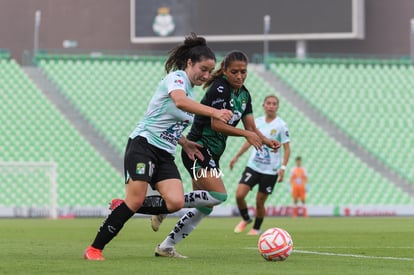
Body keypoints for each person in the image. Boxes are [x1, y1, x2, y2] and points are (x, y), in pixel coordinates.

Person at [83, 33, 233, 261]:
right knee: (134, 200)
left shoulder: (190, 90)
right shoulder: (177, 78)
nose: (205, 75)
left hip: (165, 153)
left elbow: (170, 119)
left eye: (209, 71)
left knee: (175, 202)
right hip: (143, 145)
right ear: (189, 63)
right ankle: (94, 249)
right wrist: (215, 112)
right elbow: (180, 102)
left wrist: (184, 142)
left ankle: (120, 206)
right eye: (202, 69)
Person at [152, 50, 280, 258]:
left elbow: (251, 126)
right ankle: (166, 204)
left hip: (212, 154)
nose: (239, 76)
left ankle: (166, 246)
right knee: (219, 196)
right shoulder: (220, 88)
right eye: (235, 72)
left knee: (206, 206)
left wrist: (265, 140)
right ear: (226, 71)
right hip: (199, 149)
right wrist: (246, 134)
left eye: (243, 72)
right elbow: (217, 124)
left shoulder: (245, 94)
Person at [230, 95, 290, 235]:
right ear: (263, 105)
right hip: (254, 166)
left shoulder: (281, 125)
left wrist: (283, 168)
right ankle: (246, 218)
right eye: (268, 103)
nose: (271, 106)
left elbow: (287, 149)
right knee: (239, 195)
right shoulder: (256, 123)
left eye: (274, 103)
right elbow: (248, 141)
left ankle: (256, 228)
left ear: (277, 107)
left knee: (259, 202)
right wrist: (236, 157)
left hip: (270, 170)